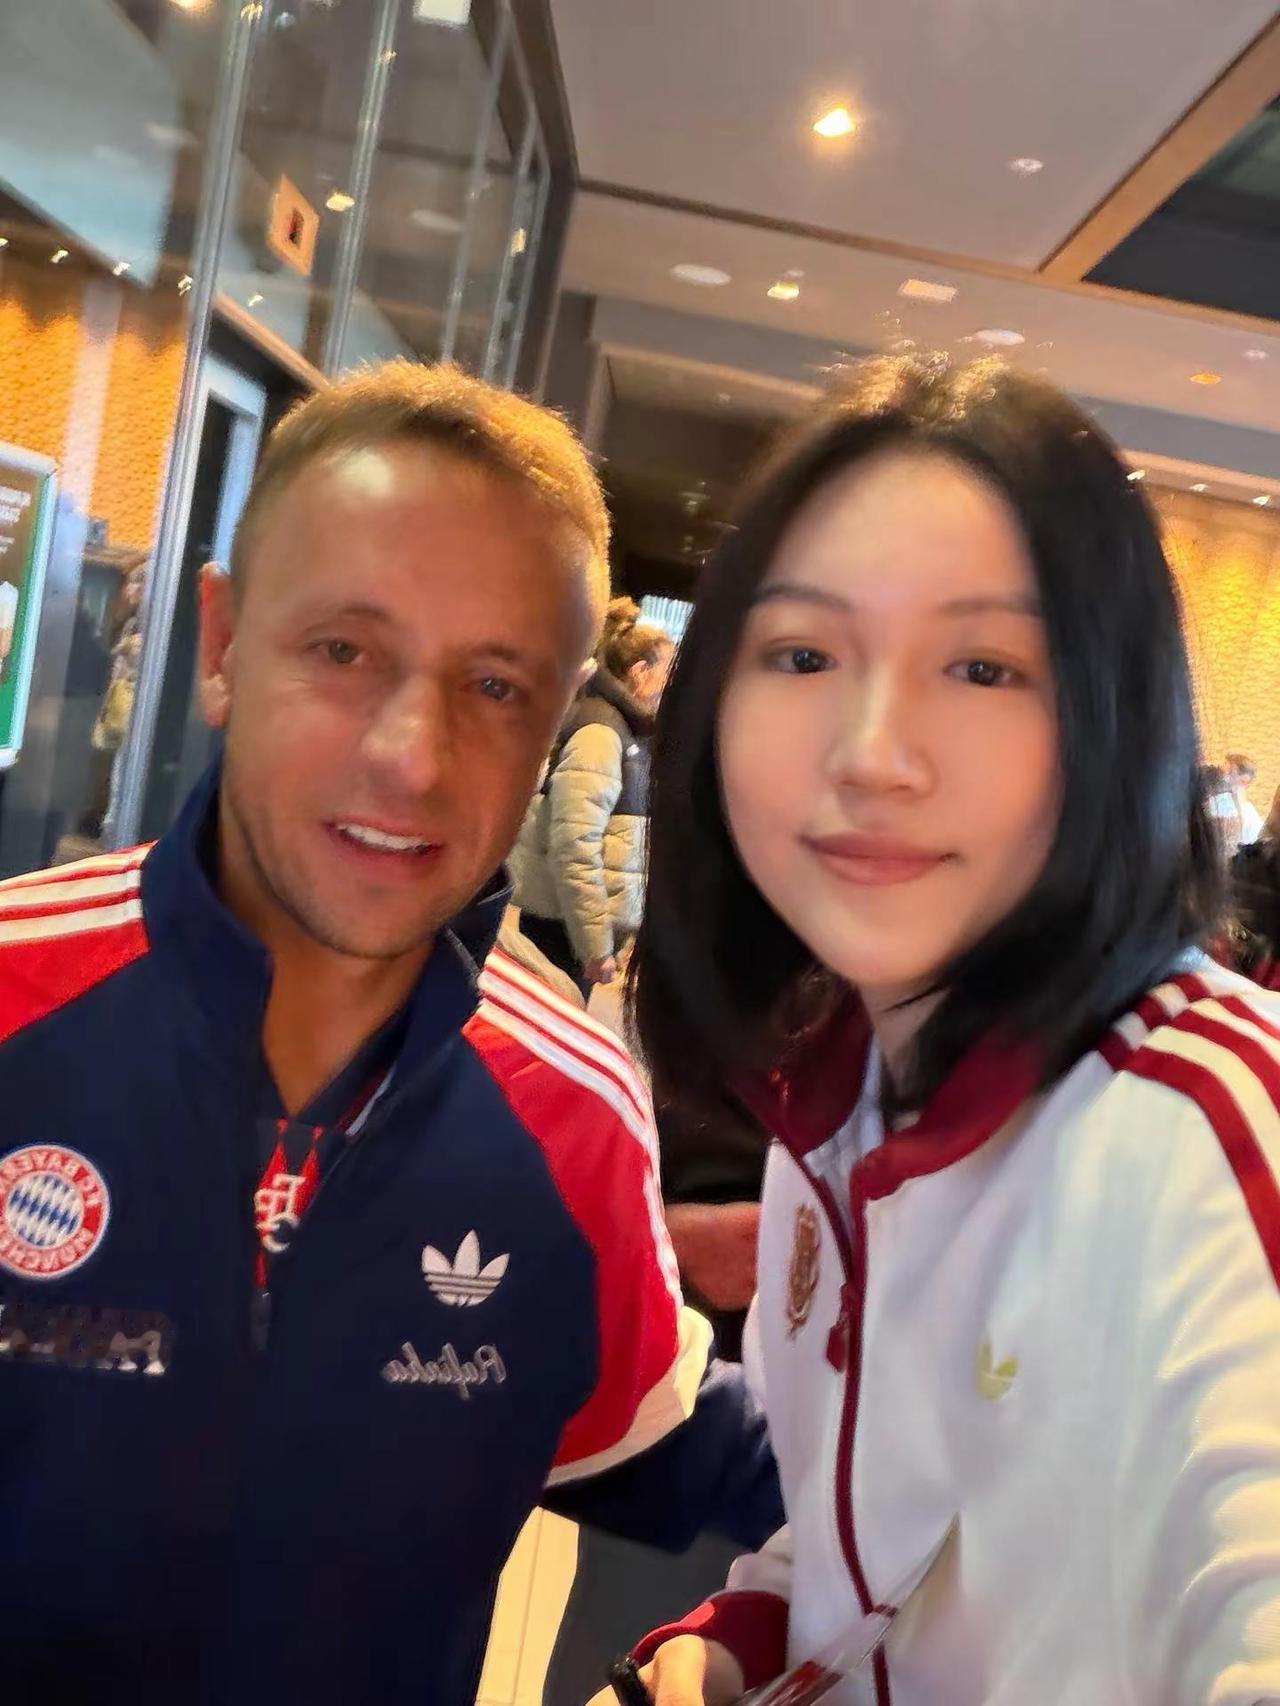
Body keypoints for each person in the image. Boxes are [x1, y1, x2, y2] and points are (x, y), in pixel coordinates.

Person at [0, 361, 781, 1706]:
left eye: (495, 685)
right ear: (222, 645)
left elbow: (693, 1449)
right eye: (344, 650)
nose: (412, 757)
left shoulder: (571, 1112)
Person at [588, 357, 1280, 1706]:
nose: (872, 751)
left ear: (1110, 718)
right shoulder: (835, 1100)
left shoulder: (1212, 1144)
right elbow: (873, 1551)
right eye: (803, 654)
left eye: (981, 666)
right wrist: (739, 1638)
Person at [512, 596, 674, 994]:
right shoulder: (601, 733)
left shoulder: (629, 731)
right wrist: (595, 946)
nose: (672, 686)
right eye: (668, 672)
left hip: (571, 930)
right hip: (561, 934)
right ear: (640, 672)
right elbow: (574, 845)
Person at [1227, 751, 1264, 845]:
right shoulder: (1215, 801)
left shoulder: (1249, 814)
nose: (1223, 777)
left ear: (1244, 780)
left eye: (1229, 773)